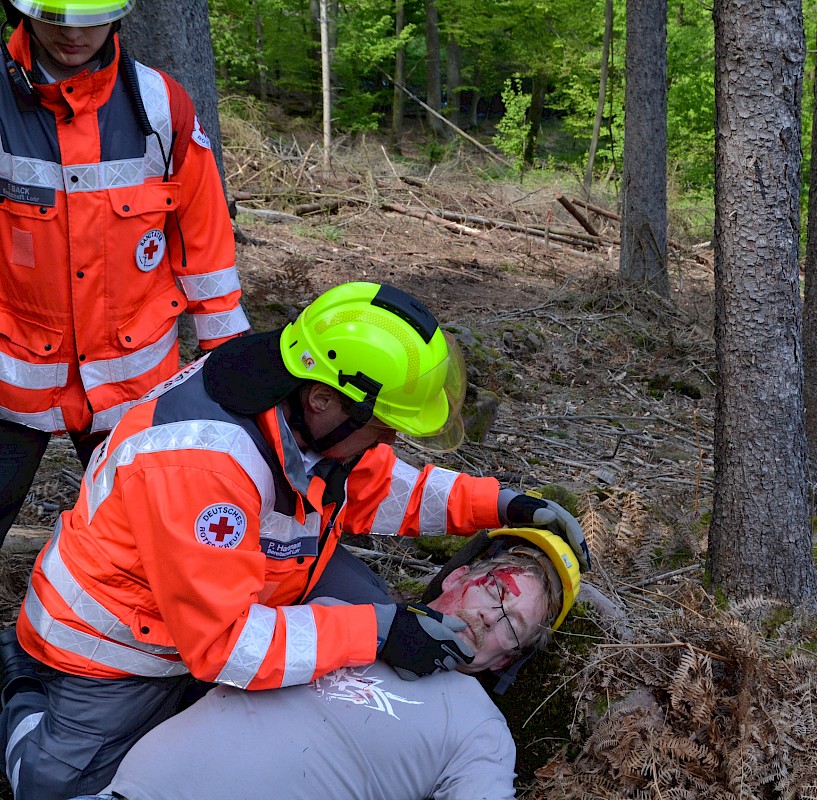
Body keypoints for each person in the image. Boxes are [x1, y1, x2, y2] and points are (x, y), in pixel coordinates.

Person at [0, 281, 590, 799]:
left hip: (232, 584)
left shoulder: (300, 408)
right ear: (323, 401)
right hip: (114, 641)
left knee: (365, 611)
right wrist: (377, 631)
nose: (387, 441)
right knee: (56, 789)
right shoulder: (204, 464)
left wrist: (501, 503)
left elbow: (378, 485)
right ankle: (18, 682)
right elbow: (227, 646)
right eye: (382, 427)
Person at [68, 526, 581, 800]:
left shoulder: (479, 728)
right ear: (456, 577)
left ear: (506, 658)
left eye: (513, 623)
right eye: (496, 591)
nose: (491, 616)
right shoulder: (337, 610)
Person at [0, 0, 251, 546]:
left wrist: (227, 354)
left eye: (91, 17)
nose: (75, 34)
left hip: (133, 380)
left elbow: (202, 233)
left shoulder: (161, 104)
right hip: (13, 375)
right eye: (58, 18)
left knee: (145, 537)